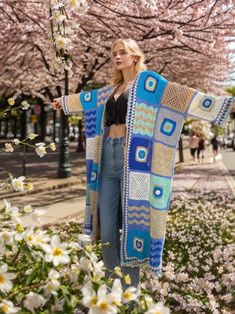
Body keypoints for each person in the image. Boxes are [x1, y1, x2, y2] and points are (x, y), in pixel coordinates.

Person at [52, 38, 235, 287]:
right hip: (106, 159)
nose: (117, 56)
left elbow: (181, 96)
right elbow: (89, 99)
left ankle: (130, 291)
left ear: (135, 57)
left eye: (123, 52)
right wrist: (64, 103)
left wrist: (222, 104)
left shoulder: (150, 84)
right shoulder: (110, 89)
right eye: (114, 52)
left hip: (134, 163)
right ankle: (113, 286)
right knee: (106, 232)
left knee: (132, 229)